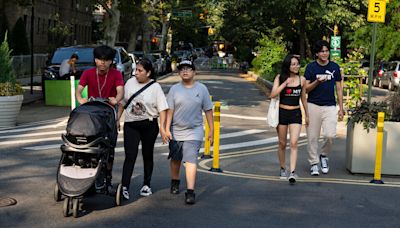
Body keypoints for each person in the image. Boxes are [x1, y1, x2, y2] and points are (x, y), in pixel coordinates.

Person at [118, 58, 168, 200]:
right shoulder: (129, 83)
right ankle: (124, 186)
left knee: (147, 154)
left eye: (140, 71)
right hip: (131, 124)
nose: (136, 73)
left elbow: (163, 109)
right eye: (136, 70)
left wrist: (163, 129)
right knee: (130, 155)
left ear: (148, 73)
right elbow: (122, 102)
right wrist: (117, 119)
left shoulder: (155, 87)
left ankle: (146, 184)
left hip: (149, 125)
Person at [75, 45, 124, 191]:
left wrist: (116, 99)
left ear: (110, 61)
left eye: (106, 60)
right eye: (99, 59)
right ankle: (85, 175)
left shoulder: (116, 74)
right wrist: (81, 99)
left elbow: (120, 91)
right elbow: (79, 90)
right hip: (92, 113)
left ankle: (107, 178)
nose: (102, 62)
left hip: (108, 113)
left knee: (109, 149)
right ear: (95, 60)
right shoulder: (88, 73)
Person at [165, 60, 214, 205]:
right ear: (179, 73)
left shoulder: (202, 89)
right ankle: (175, 181)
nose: (185, 71)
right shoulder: (174, 89)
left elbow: (208, 110)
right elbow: (170, 110)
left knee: (191, 160)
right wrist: (167, 128)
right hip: (176, 130)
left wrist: (211, 130)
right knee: (175, 159)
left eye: (188, 69)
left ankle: (190, 191)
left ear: (194, 72)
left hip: (195, 130)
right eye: (182, 69)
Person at [305, 40, 344, 176]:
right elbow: (306, 89)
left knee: (329, 135)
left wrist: (341, 107)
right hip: (313, 105)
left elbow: (339, 88)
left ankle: (323, 156)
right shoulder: (311, 68)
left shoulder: (335, 67)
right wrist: (317, 81)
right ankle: (314, 163)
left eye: (326, 51)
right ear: (317, 53)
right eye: (322, 51)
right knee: (312, 137)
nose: (325, 53)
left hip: (330, 106)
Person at [270, 54, 309, 184]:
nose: (296, 66)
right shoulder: (280, 78)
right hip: (282, 112)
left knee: (294, 143)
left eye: (297, 64)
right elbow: (273, 94)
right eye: (293, 64)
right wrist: (284, 84)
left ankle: (292, 172)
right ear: (288, 65)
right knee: (282, 143)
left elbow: (303, 98)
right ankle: (282, 168)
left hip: (296, 113)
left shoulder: (302, 80)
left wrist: (307, 115)